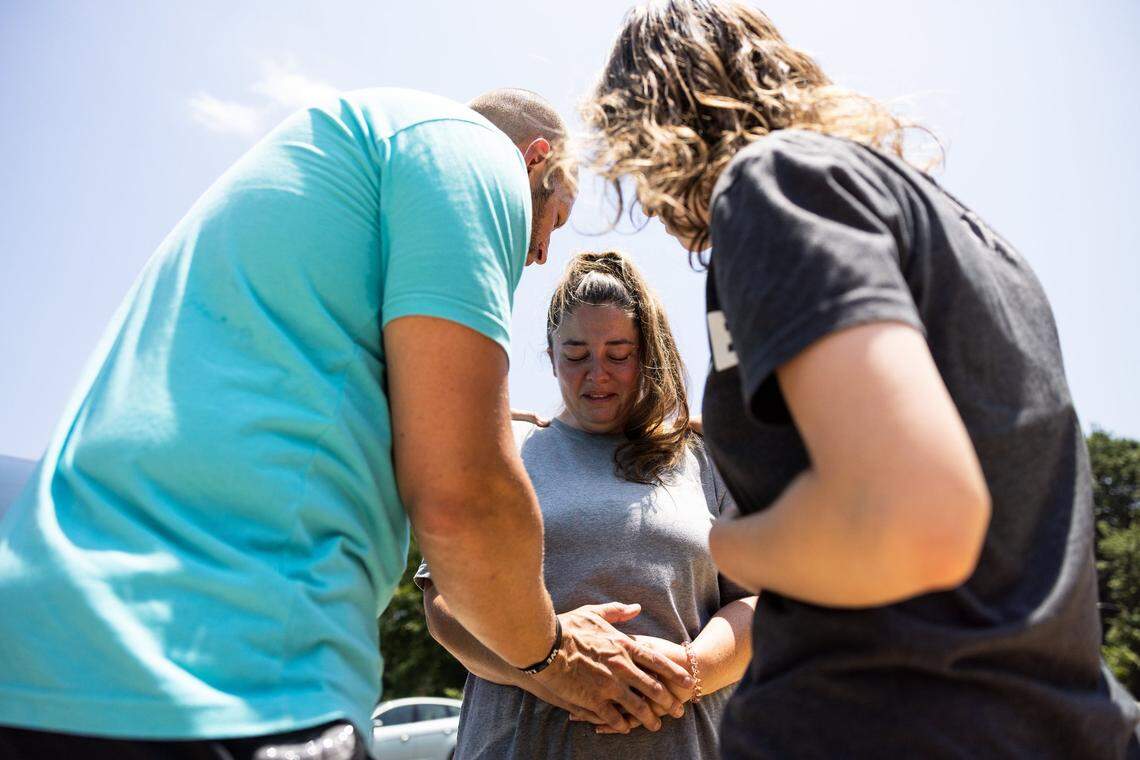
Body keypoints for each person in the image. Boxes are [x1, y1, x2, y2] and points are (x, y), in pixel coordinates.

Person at [0, 87, 692, 758]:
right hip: (227, 667)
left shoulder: (343, 151)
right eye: (553, 220)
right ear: (535, 161)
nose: (540, 252)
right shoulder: (470, 154)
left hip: (50, 646)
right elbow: (462, 495)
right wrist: (552, 656)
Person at [573, 2, 1140, 758]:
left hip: (880, 720)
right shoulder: (968, 235)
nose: (647, 199)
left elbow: (915, 518)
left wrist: (735, 547)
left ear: (654, 123)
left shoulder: (777, 181)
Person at [417, 250, 758, 759]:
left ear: (647, 354)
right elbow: (443, 606)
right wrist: (550, 667)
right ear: (550, 354)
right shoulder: (502, 450)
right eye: (576, 354)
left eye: (617, 353)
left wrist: (689, 671)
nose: (596, 374)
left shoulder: (705, 458)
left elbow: (759, 604)